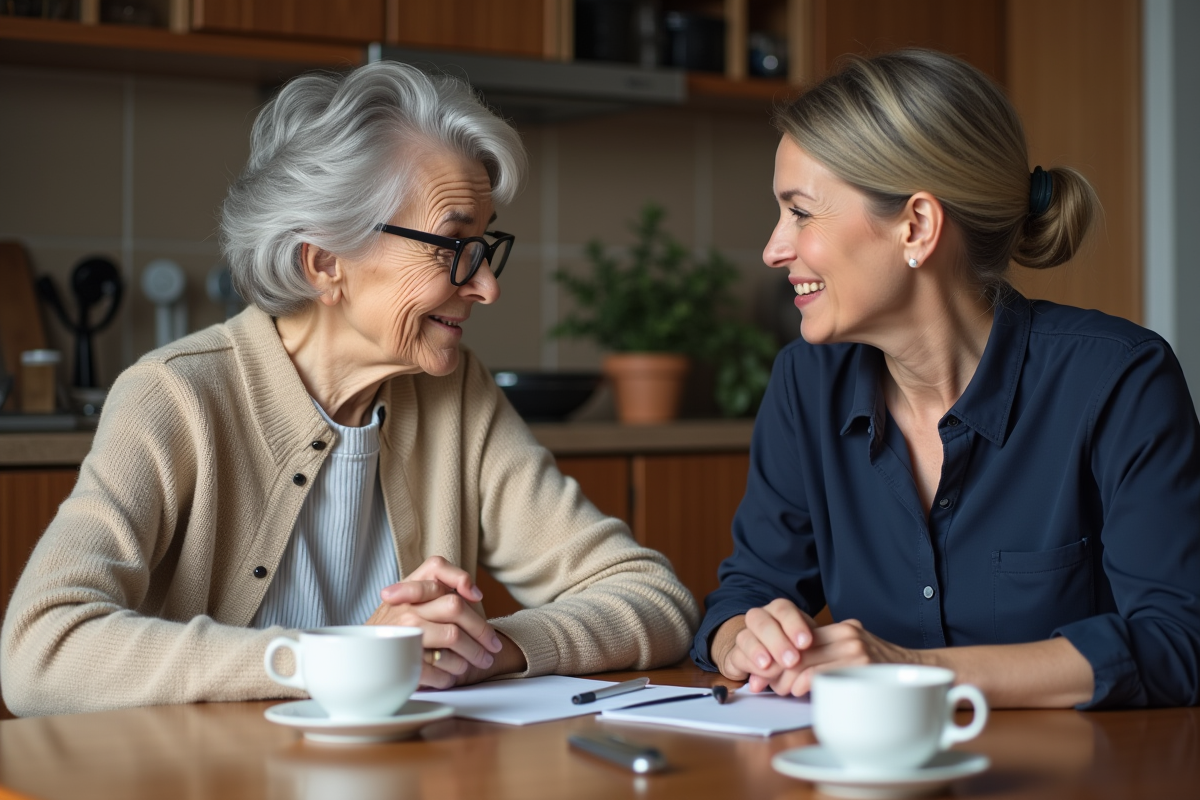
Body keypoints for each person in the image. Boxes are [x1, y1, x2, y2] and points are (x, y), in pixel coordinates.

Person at [1, 62, 699, 717]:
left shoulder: (457, 397)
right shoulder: (176, 397)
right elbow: (42, 650)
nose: (486, 285)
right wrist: (340, 658)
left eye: (486, 248)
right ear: (326, 261)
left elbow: (653, 598)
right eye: (453, 246)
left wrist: (489, 647)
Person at [692, 49, 1200, 709]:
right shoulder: (805, 382)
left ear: (918, 226)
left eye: (801, 212)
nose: (773, 249)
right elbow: (749, 590)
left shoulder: (1117, 379)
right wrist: (746, 635)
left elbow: (1177, 641)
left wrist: (912, 669)